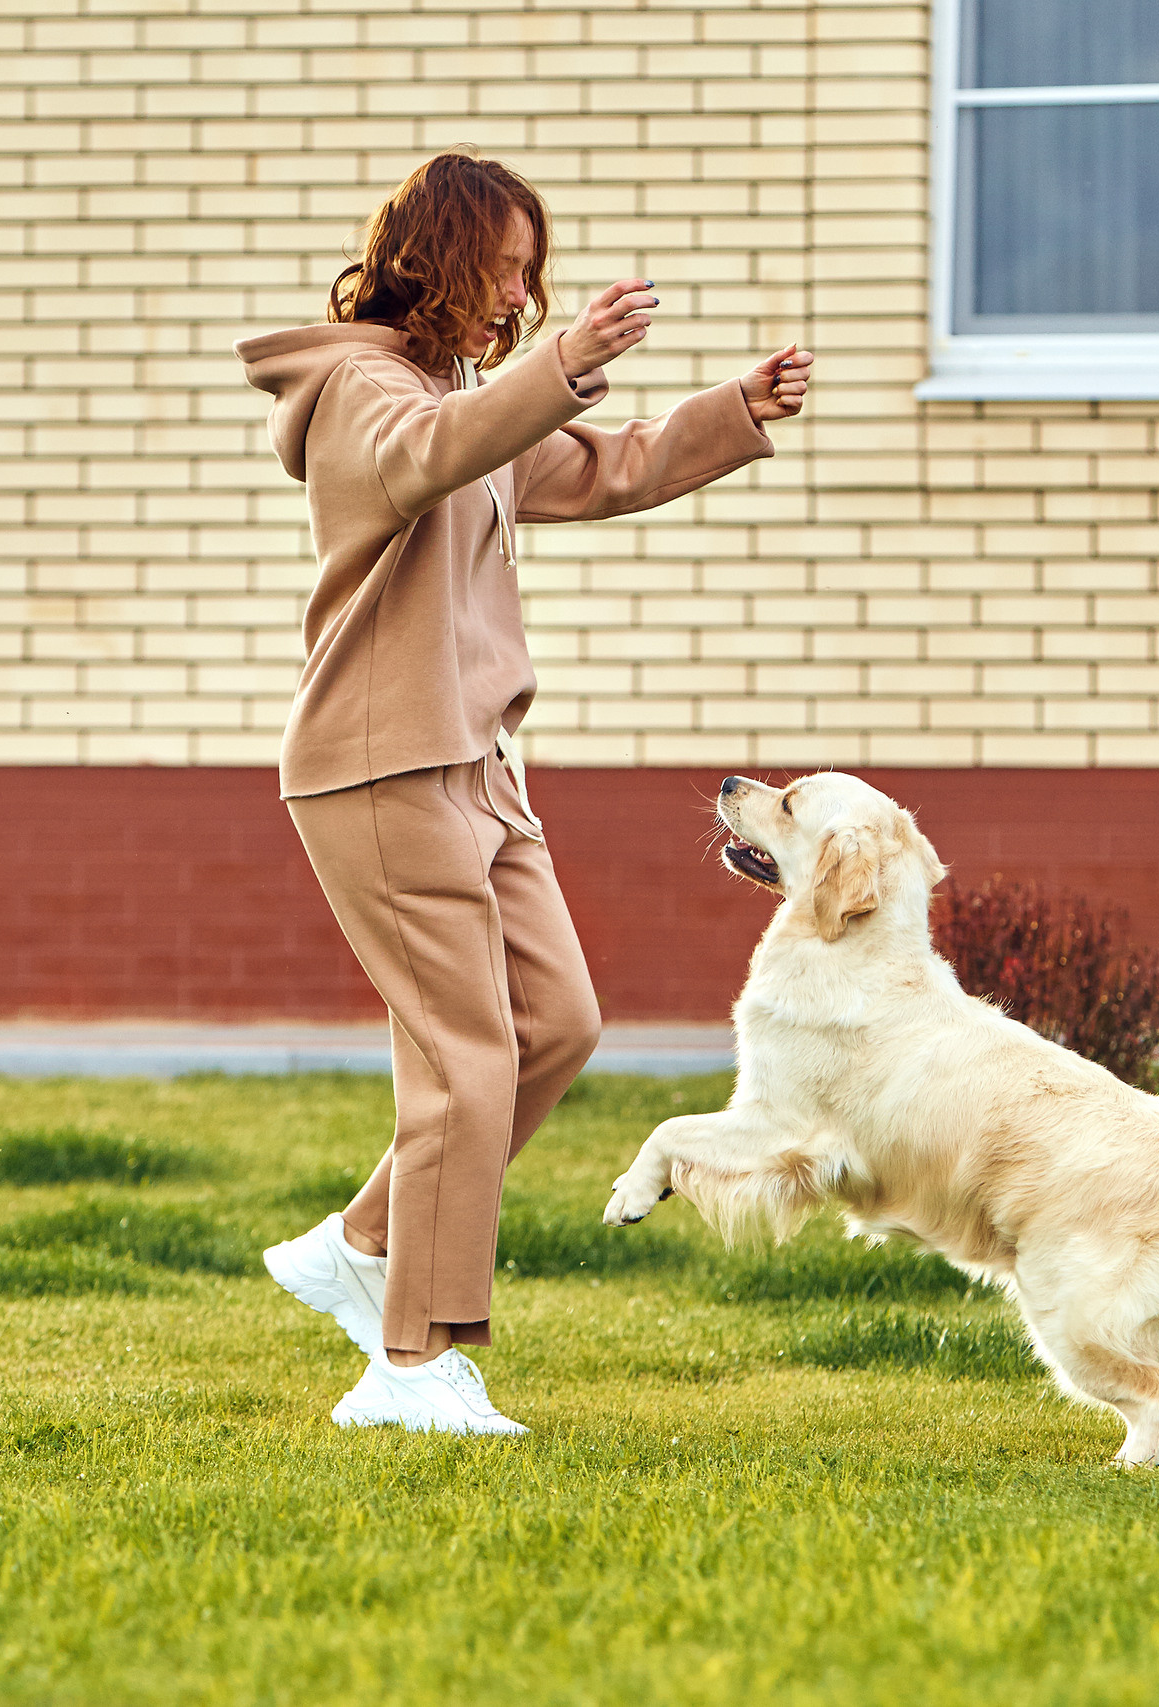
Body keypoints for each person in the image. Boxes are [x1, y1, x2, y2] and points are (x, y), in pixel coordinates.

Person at [235, 151, 811, 1434]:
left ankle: (361, 1243)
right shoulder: (358, 396)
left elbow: (608, 465)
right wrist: (552, 372)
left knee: (555, 1024)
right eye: (503, 271)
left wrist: (736, 404)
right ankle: (412, 1361)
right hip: (379, 770)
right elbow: (432, 450)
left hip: (480, 770)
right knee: (465, 1061)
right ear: (436, 261)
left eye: (530, 277)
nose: (520, 297)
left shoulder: (461, 402)